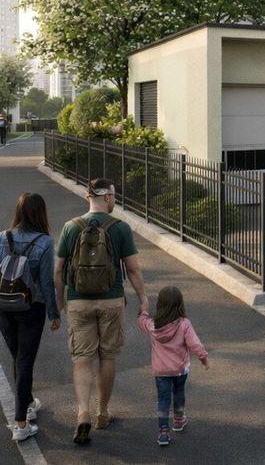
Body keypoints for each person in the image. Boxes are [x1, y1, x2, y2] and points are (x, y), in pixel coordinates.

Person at [54, 178, 147, 446]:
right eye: (114, 196)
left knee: (82, 359)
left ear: (88, 197)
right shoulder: (120, 228)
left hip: (79, 303)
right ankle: (102, 413)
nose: (115, 200)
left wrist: (60, 303)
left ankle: (82, 412)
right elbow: (133, 269)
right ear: (107, 198)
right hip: (111, 302)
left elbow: (58, 270)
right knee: (107, 356)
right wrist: (143, 300)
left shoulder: (71, 227)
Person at [1, 193, 61, 442]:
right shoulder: (44, 242)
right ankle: (20, 423)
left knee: (19, 358)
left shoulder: (3, 237)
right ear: (40, 213)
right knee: (24, 361)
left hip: (4, 306)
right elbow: (46, 282)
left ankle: (27, 403)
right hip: (31, 308)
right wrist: (54, 313)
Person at [138, 286, 208, 447]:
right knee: (179, 393)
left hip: (161, 371)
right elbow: (195, 344)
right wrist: (203, 358)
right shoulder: (184, 324)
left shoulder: (152, 325)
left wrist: (143, 310)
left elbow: (141, 321)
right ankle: (178, 420)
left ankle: (163, 432)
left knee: (163, 400)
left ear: (160, 304)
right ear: (180, 304)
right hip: (180, 369)